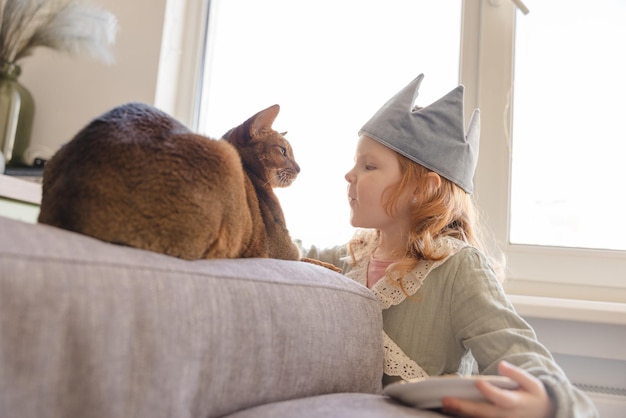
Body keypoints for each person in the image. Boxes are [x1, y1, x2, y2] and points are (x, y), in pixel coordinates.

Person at [303, 74, 598, 417]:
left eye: (369, 166)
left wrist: (546, 402)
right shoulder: (345, 259)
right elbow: (278, 247)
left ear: (422, 189)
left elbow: (518, 354)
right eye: (355, 163)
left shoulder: (458, 267)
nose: (349, 175)